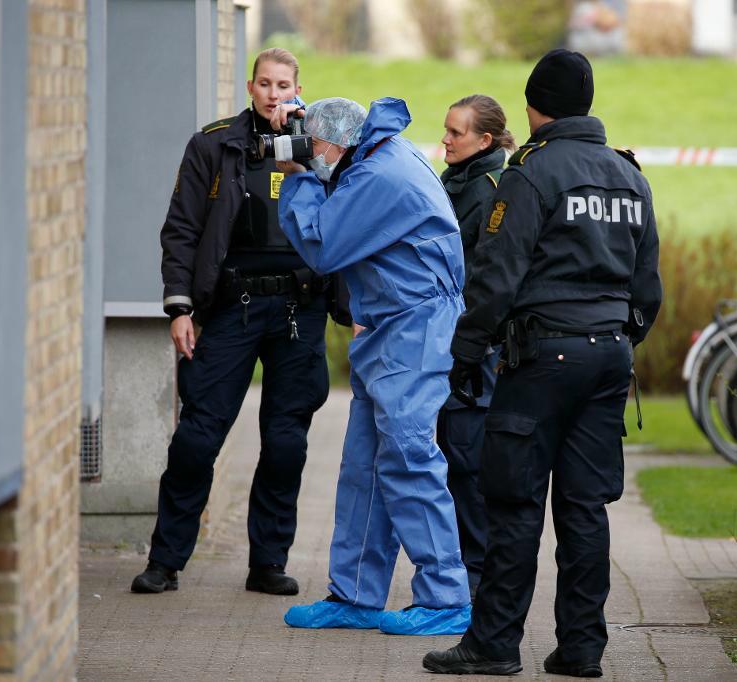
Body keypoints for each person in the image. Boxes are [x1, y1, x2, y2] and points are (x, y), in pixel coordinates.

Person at [423, 49, 662, 677]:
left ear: (534, 105)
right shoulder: (628, 176)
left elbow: (496, 279)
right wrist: (617, 338)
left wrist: (465, 354)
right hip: (609, 358)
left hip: (540, 361)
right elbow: (648, 287)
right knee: (585, 510)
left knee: (513, 505)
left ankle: (495, 645)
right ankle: (582, 650)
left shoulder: (531, 174)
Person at [131, 48, 348, 596]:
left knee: (285, 443)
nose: (275, 95)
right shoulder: (215, 143)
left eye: (285, 85)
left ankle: (268, 563)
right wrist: (180, 307)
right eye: (266, 84)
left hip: (301, 309)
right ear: (251, 87)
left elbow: (353, 221)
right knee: (198, 439)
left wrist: (354, 313)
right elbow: (181, 227)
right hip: (232, 307)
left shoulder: (323, 146)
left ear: (299, 89)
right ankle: (165, 560)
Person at [273, 96, 473, 636]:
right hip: (389, 325)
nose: (309, 155)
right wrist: (305, 136)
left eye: (313, 146)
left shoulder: (380, 173)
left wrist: (299, 176)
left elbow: (321, 244)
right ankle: (356, 595)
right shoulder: (372, 154)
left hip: (413, 328)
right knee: (365, 463)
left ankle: (447, 597)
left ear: (335, 143)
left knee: (409, 456)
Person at [437, 94, 514, 598]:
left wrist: (470, 347)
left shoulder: (489, 191)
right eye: (445, 130)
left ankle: (479, 584)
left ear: (484, 140)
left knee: (467, 464)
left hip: (474, 350)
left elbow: (486, 277)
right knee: (453, 460)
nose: (444, 140)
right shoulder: (456, 181)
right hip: (450, 341)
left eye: (455, 133)